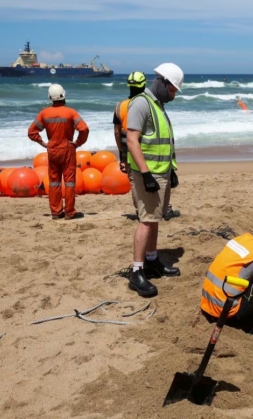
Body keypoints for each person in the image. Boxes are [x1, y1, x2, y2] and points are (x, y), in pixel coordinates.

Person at [126, 63, 184, 298]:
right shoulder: (141, 103)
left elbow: (161, 141)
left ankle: (152, 261)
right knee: (146, 220)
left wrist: (171, 170)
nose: (174, 95)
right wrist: (146, 173)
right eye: (173, 90)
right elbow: (132, 140)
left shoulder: (157, 106)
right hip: (148, 174)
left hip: (161, 172)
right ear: (164, 82)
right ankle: (137, 271)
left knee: (155, 217)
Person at [113, 72, 181, 221]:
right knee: (145, 192)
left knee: (134, 184)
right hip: (142, 154)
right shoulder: (144, 103)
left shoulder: (120, 106)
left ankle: (140, 209)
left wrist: (121, 154)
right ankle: (145, 211)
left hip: (128, 152)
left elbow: (117, 133)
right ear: (144, 84)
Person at [28, 84, 89, 220]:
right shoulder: (71, 112)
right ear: (64, 95)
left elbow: (32, 132)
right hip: (67, 148)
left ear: (50, 97)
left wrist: (43, 143)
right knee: (69, 182)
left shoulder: (44, 113)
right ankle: (69, 212)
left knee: (54, 182)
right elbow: (84, 129)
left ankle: (56, 212)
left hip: (53, 149)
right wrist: (78, 143)